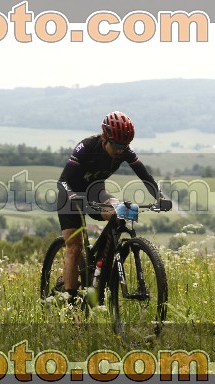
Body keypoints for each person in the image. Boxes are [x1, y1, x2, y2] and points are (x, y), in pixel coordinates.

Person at [55, 111, 171, 304]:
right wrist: (73, 196)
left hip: (95, 192)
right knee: (75, 247)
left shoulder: (124, 151)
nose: (120, 150)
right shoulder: (86, 147)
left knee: (119, 210)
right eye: (117, 145)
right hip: (69, 195)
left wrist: (159, 196)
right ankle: (70, 301)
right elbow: (62, 181)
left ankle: (102, 266)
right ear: (105, 137)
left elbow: (144, 175)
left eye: (124, 146)